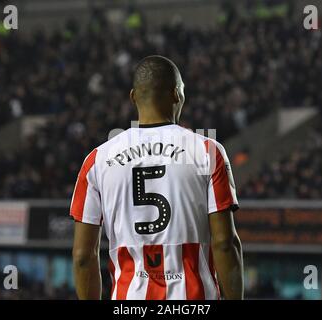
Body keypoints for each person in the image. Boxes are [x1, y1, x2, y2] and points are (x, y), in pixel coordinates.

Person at [71, 55, 243, 300]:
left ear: (133, 97)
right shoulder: (208, 152)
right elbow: (225, 243)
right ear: (177, 95)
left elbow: (83, 257)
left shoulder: (97, 160)